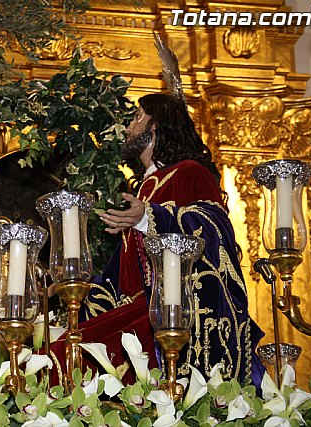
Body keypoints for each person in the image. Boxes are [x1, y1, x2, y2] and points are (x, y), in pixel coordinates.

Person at [84, 93, 264, 387]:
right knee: (66, 351)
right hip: (135, 311)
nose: (129, 127)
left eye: (137, 117)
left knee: (65, 356)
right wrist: (78, 288)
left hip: (168, 311)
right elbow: (124, 271)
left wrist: (151, 217)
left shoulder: (189, 172)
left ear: (155, 125)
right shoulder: (144, 187)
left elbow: (215, 225)